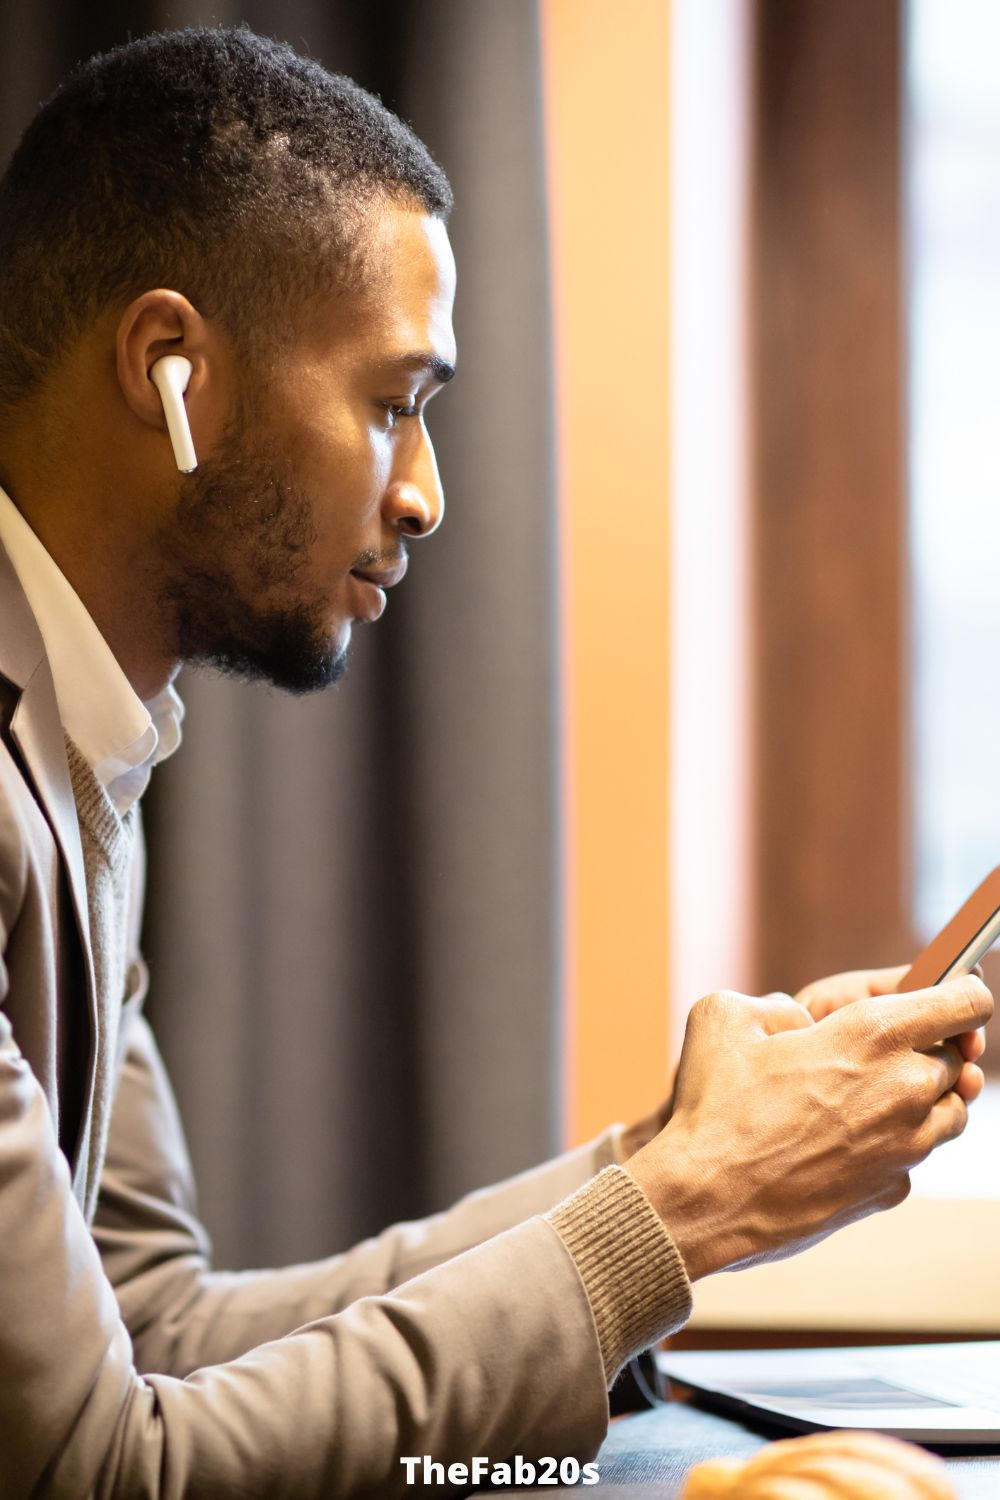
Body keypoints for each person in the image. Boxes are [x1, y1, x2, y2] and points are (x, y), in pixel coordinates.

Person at [0, 24, 990, 1499]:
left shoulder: (82, 758)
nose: (425, 494)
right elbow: (90, 1467)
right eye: (395, 402)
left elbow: (163, 1335)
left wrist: (679, 1154)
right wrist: (686, 1206)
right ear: (170, 369)